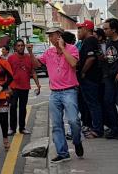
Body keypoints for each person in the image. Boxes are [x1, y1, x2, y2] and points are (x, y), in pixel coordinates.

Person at [35, 27, 83, 162]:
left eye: (54, 35)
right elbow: (36, 64)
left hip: (69, 90)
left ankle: (77, 140)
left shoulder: (72, 49)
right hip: (54, 93)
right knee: (56, 124)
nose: (51, 38)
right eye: (49, 36)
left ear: (60, 36)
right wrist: (31, 53)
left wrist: (62, 48)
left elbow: (73, 63)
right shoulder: (48, 52)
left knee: (74, 120)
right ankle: (62, 153)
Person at [76, 20, 104, 139]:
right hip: (94, 78)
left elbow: (91, 58)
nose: (78, 31)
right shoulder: (92, 41)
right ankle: (96, 127)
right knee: (93, 104)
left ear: (87, 29)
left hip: (90, 78)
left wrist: (83, 72)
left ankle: (97, 130)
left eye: (80, 29)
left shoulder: (89, 40)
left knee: (93, 104)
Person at [7, 39, 41, 135]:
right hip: (13, 86)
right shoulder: (11, 58)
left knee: (23, 108)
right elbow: (7, 73)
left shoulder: (28, 57)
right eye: (18, 45)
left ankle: (22, 128)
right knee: (13, 107)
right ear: (15, 47)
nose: (20, 47)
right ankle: (12, 128)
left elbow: (33, 72)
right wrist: (8, 87)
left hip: (25, 87)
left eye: (22, 45)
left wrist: (38, 85)